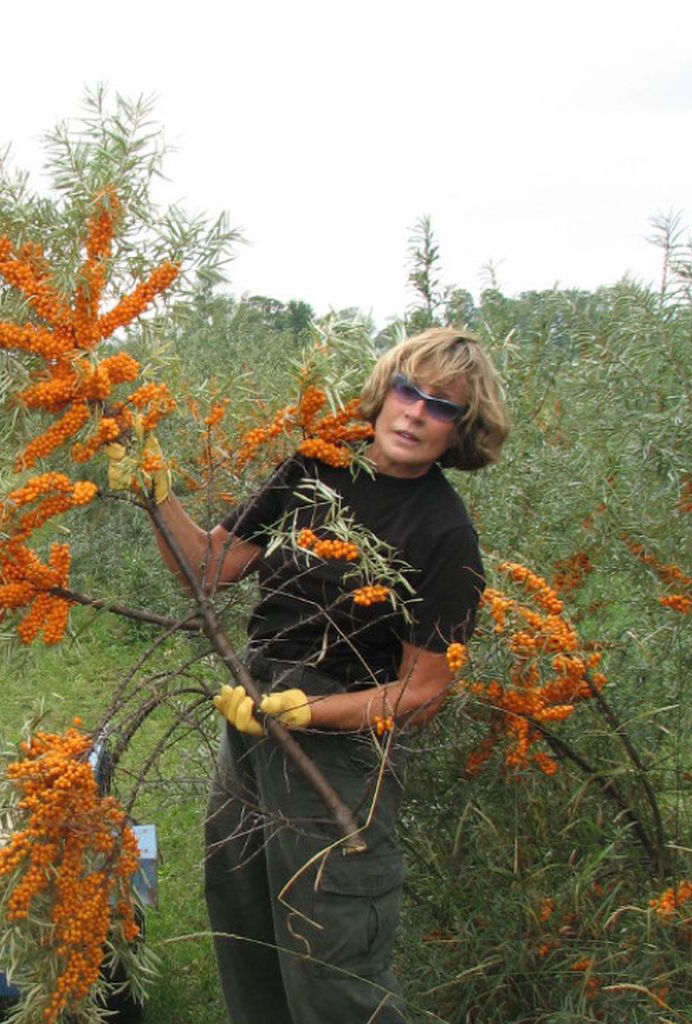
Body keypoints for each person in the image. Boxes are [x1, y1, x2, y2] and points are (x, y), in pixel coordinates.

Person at [136, 328, 509, 1023]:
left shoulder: (446, 536)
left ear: (462, 429)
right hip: (250, 726)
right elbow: (211, 568)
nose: (414, 414)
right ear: (384, 391)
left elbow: (422, 691)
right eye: (407, 390)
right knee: (242, 924)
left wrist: (310, 713)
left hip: (341, 757)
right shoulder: (315, 467)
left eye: (440, 406)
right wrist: (155, 492)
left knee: (331, 962)